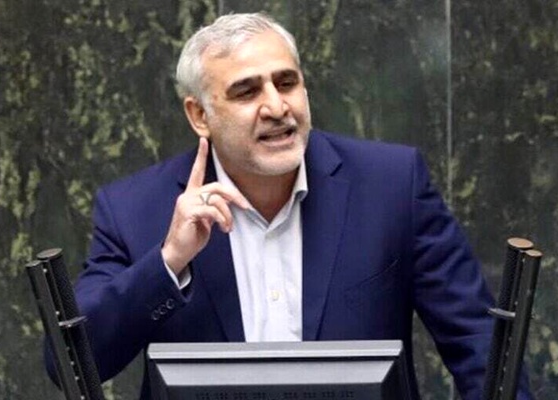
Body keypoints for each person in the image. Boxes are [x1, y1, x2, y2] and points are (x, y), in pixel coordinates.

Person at [46, 12, 532, 400]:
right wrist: (169, 261)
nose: (277, 107)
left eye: (286, 82)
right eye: (246, 91)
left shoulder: (391, 186)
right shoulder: (135, 209)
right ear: (199, 115)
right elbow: (70, 362)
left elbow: (478, 345)